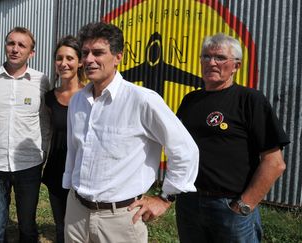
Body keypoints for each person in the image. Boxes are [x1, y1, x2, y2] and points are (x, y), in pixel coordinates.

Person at [62, 22, 199, 243]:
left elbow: (185, 150)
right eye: (85, 53)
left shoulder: (142, 100)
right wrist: (69, 188)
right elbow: (74, 150)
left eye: (98, 53)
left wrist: (166, 198)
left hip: (120, 219)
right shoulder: (78, 100)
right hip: (77, 211)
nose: (88, 60)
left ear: (118, 57)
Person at [175, 33, 290, 243]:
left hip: (230, 207)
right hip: (189, 204)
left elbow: (274, 163)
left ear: (236, 66)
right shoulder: (190, 101)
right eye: (206, 57)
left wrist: (244, 205)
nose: (211, 62)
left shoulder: (250, 100)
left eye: (219, 57)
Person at [0, 27, 51, 243]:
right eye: (11, 43)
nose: (15, 49)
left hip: (29, 164)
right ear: (6, 45)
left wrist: (42, 152)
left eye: (21, 45)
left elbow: (45, 121)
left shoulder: (41, 80)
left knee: (27, 226)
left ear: (31, 53)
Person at [42, 35, 85, 243]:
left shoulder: (90, 94)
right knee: (62, 229)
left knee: (82, 230)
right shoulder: (49, 98)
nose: (64, 63)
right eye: (59, 58)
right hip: (56, 171)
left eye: (70, 58)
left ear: (80, 62)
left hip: (83, 171)